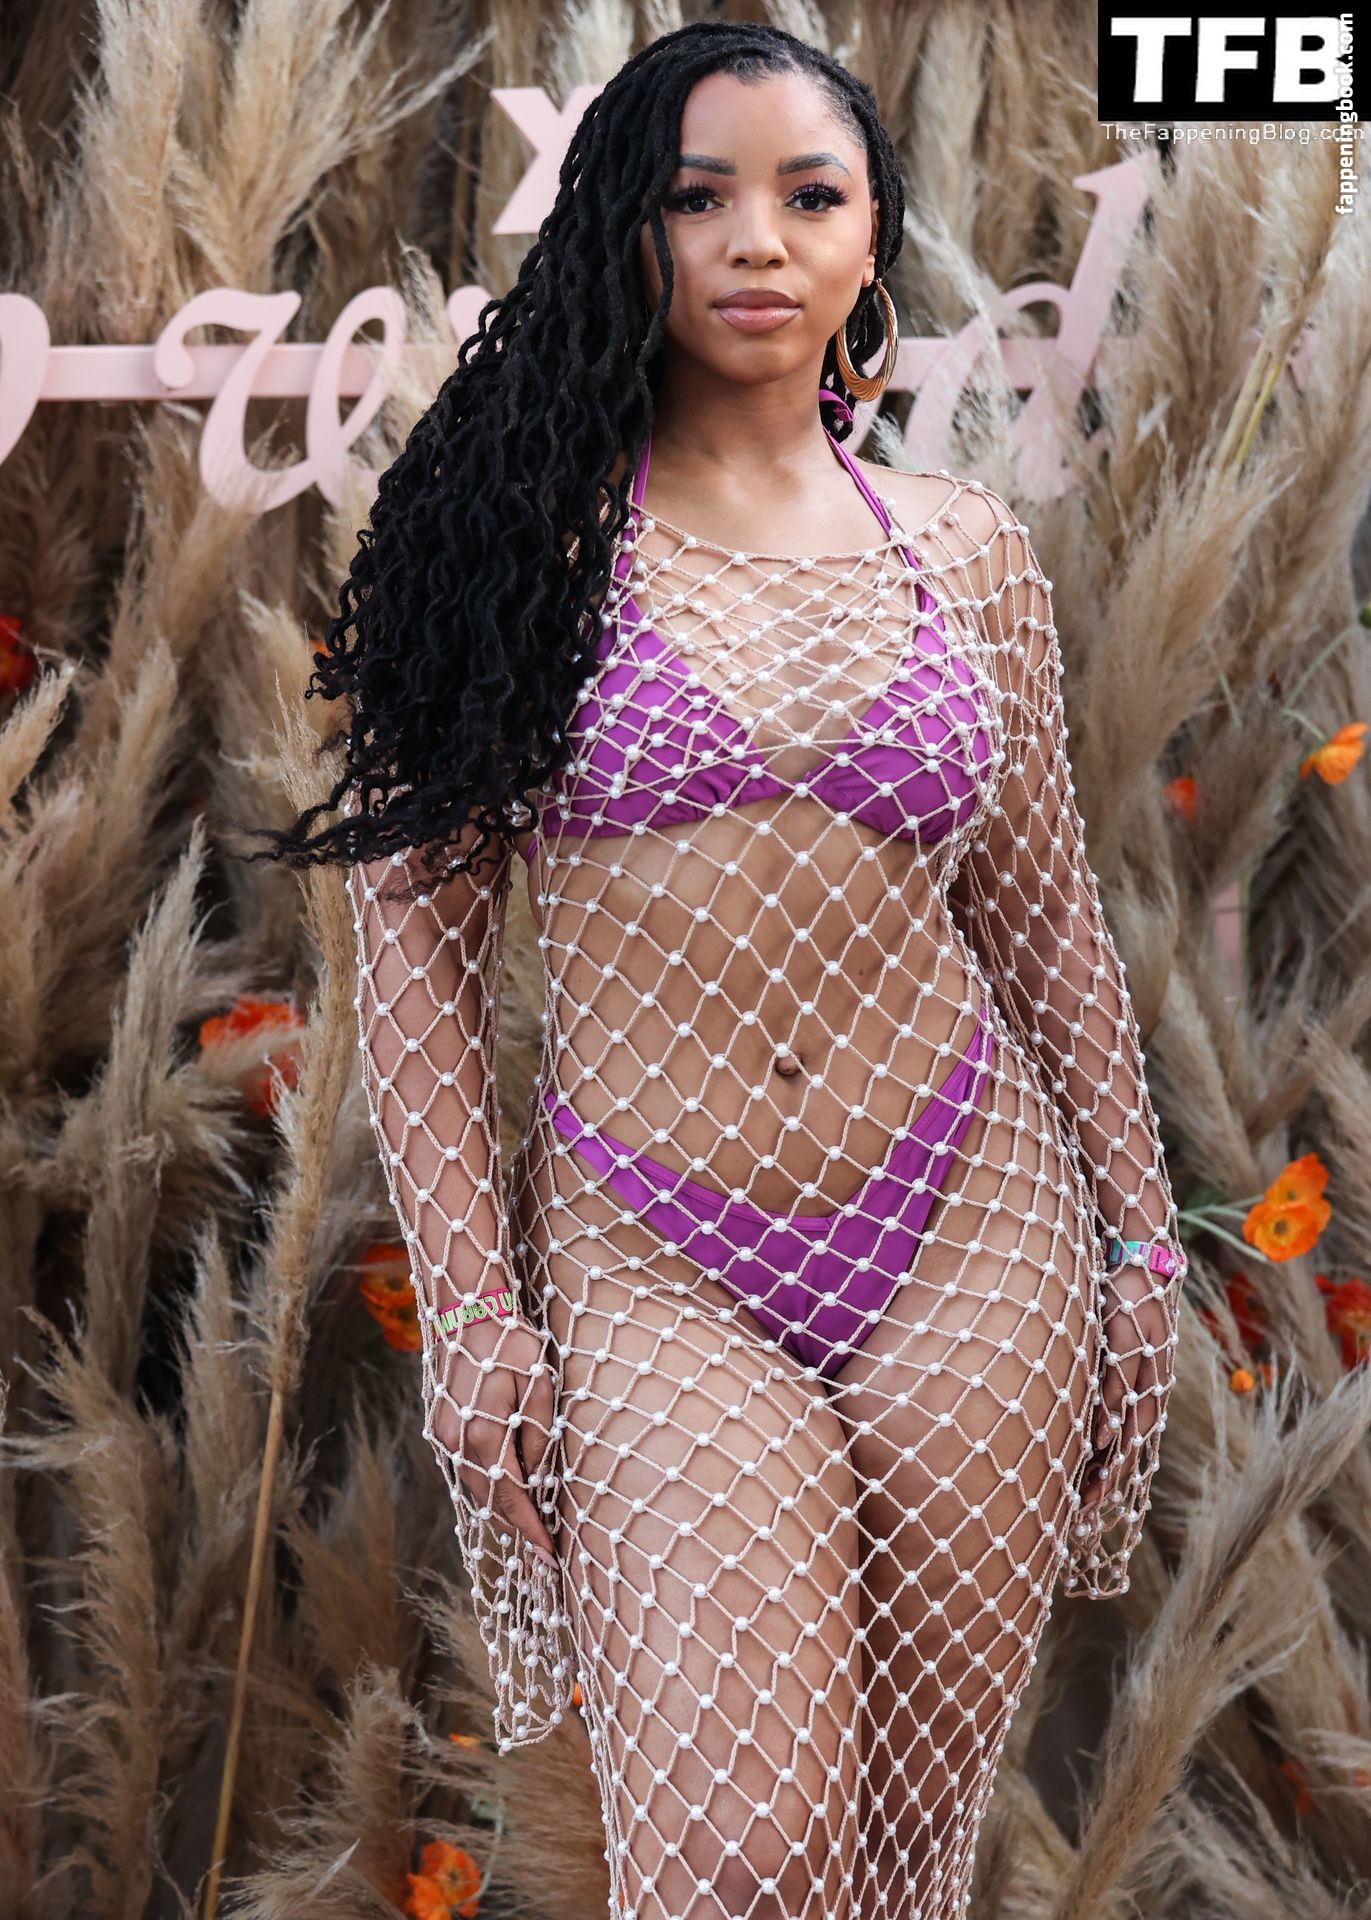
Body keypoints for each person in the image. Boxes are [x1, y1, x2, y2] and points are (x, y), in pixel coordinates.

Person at [260, 21, 1187, 1920]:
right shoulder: (519, 544)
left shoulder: (966, 558)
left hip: (972, 1223)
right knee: (743, 1859)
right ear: (632, 229)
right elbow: (419, 955)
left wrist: (1137, 1246)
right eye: (700, 197)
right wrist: (479, 1311)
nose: (757, 239)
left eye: (808, 195)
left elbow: (1043, 923)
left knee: (904, 1862)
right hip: (657, 1252)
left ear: (870, 241)